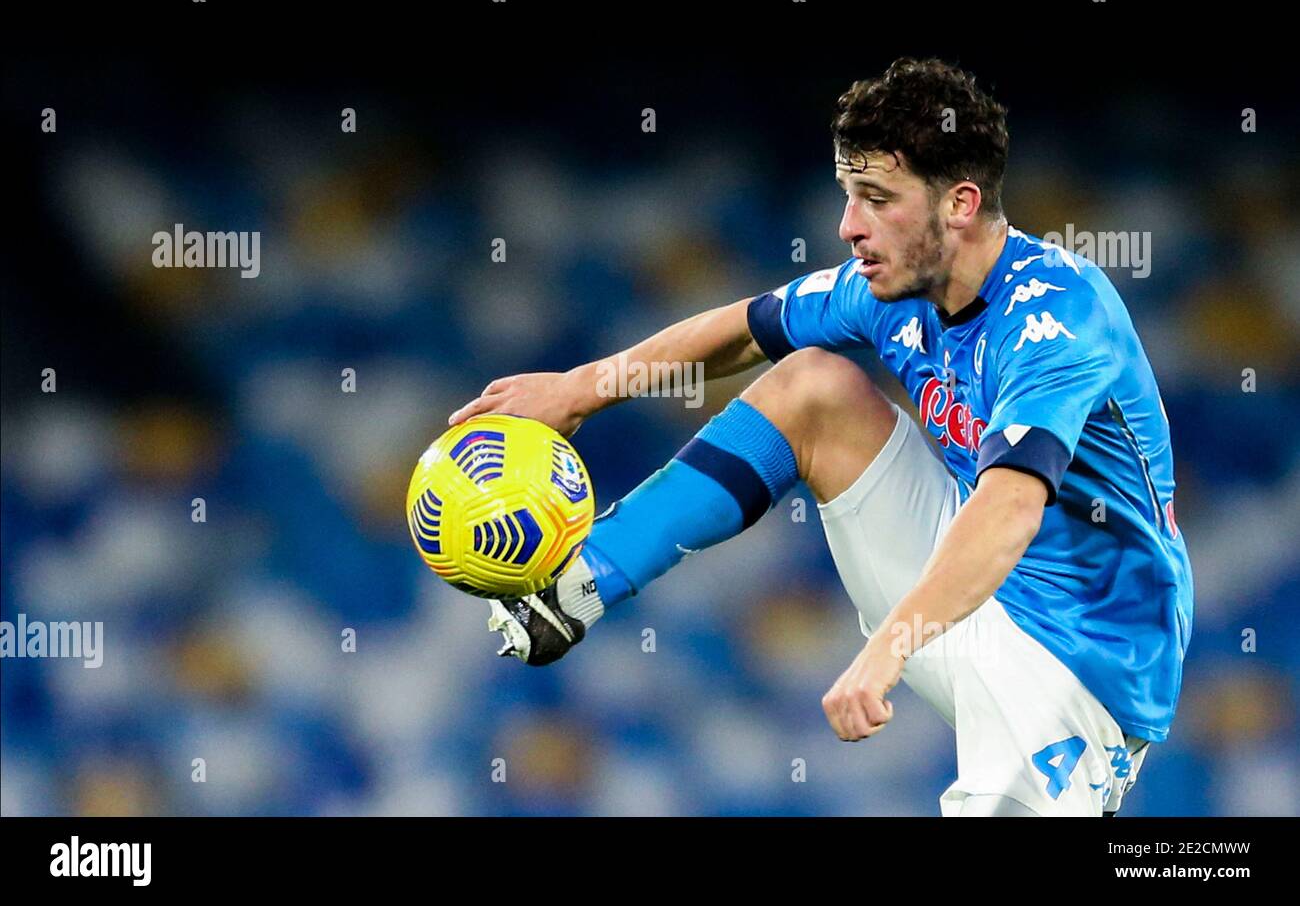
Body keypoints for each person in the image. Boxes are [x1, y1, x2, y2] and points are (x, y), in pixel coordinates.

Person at [449, 57, 1193, 816]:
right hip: (965, 581)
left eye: (875, 198)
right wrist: (582, 388)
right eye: (848, 196)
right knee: (815, 387)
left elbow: (1009, 509)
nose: (848, 227)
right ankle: (579, 588)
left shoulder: (1057, 317)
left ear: (960, 205)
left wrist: (894, 643)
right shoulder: (888, 288)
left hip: (1086, 656)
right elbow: (743, 330)